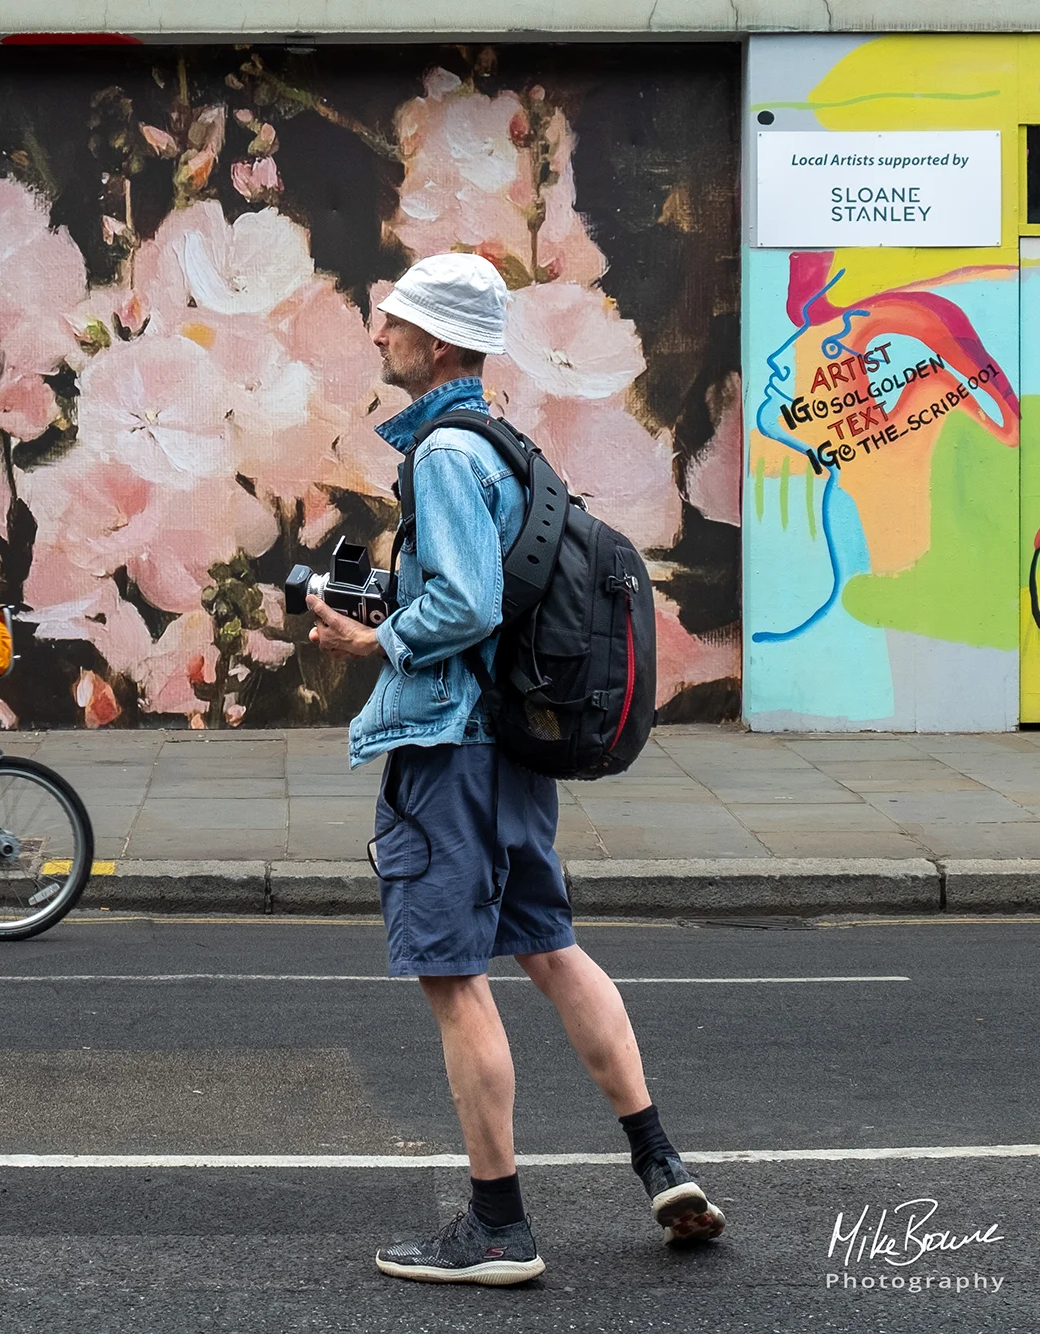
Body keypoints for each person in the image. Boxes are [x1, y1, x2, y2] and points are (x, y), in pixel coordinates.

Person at [306, 253, 726, 1287]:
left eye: (393, 321)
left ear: (438, 342)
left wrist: (373, 642)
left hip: (449, 749)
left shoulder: (446, 453)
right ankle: (658, 1160)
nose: (378, 336)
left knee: (454, 977)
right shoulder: (509, 445)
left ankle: (497, 1225)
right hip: (511, 749)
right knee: (550, 945)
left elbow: (463, 604)